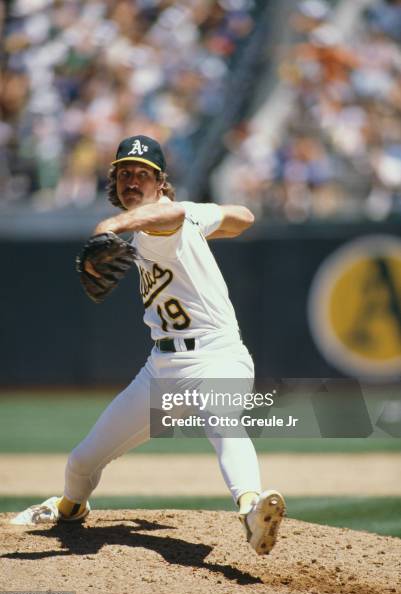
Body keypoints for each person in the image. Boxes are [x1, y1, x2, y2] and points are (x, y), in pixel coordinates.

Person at [11, 135, 285, 555]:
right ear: (113, 181)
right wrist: (202, 218)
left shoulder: (164, 219)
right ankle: (68, 507)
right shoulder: (178, 218)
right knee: (82, 461)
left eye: (143, 174)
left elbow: (188, 214)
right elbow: (242, 217)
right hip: (160, 369)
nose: (132, 181)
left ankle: (251, 508)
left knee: (222, 421)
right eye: (124, 173)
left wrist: (109, 225)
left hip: (217, 355)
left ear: (160, 183)